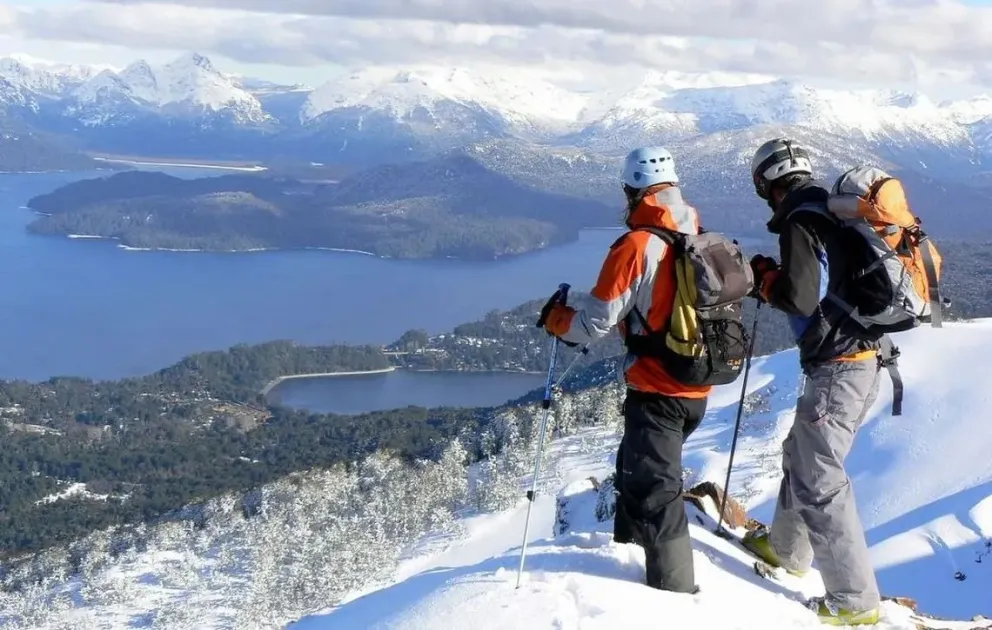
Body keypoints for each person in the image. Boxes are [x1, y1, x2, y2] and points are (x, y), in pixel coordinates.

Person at [539, 146, 710, 594]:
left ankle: (673, 595)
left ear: (631, 190)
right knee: (634, 470)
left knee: (656, 491)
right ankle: (630, 567)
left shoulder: (637, 245)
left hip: (659, 388)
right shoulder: (696, 231)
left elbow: (593, 324)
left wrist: (556, 319)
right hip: (698, 382)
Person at [742, 137, 883, 625]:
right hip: (863, 359)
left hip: (839, 368)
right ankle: (786, 548)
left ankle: (855, 602)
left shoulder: (801, 219)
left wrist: (765, 280)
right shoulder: (830, 210)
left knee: (820, 479)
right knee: (800, 454)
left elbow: (802, 299)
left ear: (767, 184)